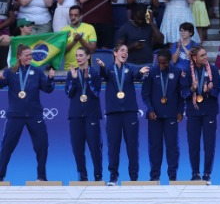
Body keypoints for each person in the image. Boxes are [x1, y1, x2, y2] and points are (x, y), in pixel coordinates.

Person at [0, 45, 56, 182]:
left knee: (42, 145)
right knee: (7, 146)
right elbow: (1, 85)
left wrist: (49, 78)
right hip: (15, 115)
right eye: (26, 55)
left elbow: (47, 89)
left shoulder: (37, 72)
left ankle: (41, 177)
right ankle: (0, 176)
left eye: (30, 55)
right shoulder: (10, 72)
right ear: (19, 56)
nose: (29, 57)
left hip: (34, 115)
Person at [96, 44, 150, 185]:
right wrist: (101, 67)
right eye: (122, 50)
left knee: (132, 147)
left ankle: (133, 178)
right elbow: (103, 75)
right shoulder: (108, 68)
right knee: (113, 147)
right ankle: (113, 177)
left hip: (130, 113)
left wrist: (141, 71)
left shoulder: (130, 68)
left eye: (126, 51)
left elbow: (136, 73)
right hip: (113, 114)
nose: (125, 53)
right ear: (115, 53)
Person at [141, 48, 184, 182]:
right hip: (155, 116)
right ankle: (154, 176)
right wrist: (150, 109)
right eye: (159, 63)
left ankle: (172, 176)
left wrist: (180, 111)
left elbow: (181, 95)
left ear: (169, 61)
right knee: (155, 147)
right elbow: (145, 94)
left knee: (172, 147)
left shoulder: (177, 72)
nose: (161, 65)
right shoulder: (151, 72)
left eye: (164, 63)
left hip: (171, 115)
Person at [181, 45, 220, 183]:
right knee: (193, 145)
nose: (205, 57)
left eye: (205, 54)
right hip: (193, 113)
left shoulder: (213, 70)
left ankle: (207, 173)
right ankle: (195, 173)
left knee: (209, 144)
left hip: (209, 112)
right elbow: (183, 94)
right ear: (194, 57)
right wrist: (192, 88)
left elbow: (217, 92)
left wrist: (209, 91)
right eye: (202, 55)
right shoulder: (186, 72)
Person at [65, 47, 103, 182]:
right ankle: (82, 175)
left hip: (91, 114)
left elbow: (96, 93)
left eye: (81, 55)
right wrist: (75, 79)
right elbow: (69, 94)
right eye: (76, 55)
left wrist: (88, 80)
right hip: (75, 115)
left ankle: (98, 175)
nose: (78, 58)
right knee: (77, 147)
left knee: (94, 146)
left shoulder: (94, 72)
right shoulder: (72, 73)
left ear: (88, 57)